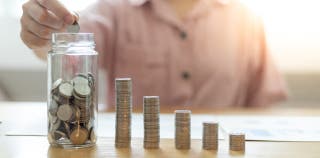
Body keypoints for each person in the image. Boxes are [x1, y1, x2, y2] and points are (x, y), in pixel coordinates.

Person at [20, 0, 287, 109]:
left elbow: (263, 106)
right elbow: (69, 45)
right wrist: (45, 34)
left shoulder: (246, 19)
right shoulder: (114, 10)